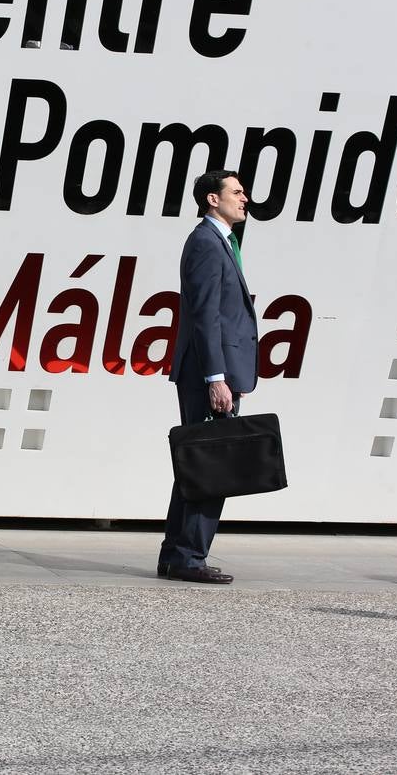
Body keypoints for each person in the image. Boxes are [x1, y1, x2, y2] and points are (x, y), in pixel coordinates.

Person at [158, 170, 257, 585]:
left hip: (215, 370)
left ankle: (177, 554)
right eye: (236, 191)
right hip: (209, 372)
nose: (244, 198)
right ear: (212, 200)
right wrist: (217, 377)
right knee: (211, 464)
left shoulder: (222, 241)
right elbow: (204, 314)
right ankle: (189, 556)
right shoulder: (205, 242)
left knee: (197, 462)